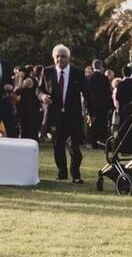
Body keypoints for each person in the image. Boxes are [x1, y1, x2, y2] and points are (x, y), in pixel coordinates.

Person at [38, 45, 94, 183]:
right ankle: (62, 173)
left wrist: (90, 113)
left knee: (75, 147)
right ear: (53, 57)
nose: (60, 59)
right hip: (55, 115)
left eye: (63, 56)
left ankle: (76, 174)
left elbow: (87, 95)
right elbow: (39, 89)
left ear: (68, 58)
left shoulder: (77, 73)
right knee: (58, 146)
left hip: (73, 116)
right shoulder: (47, 72)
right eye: (57, 56)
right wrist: (43, 96)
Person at [85, 59, 113, 149]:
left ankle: (93, 143)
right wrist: (110, 106)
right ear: (100, 66)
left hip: (92, 105)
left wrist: (86, 106)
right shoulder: (104, 78)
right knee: (102, 124)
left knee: (92, 125)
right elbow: (108, 93)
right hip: (102, 106)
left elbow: (86, 93)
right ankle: (102, 142)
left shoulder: (88, 78)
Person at [0, 57, 15, 137]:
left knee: (11, 129)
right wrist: (2, 87)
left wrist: (11, 87)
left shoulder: (5, 64)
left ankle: (13, 148)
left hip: (5, 101)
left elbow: (11, 79)